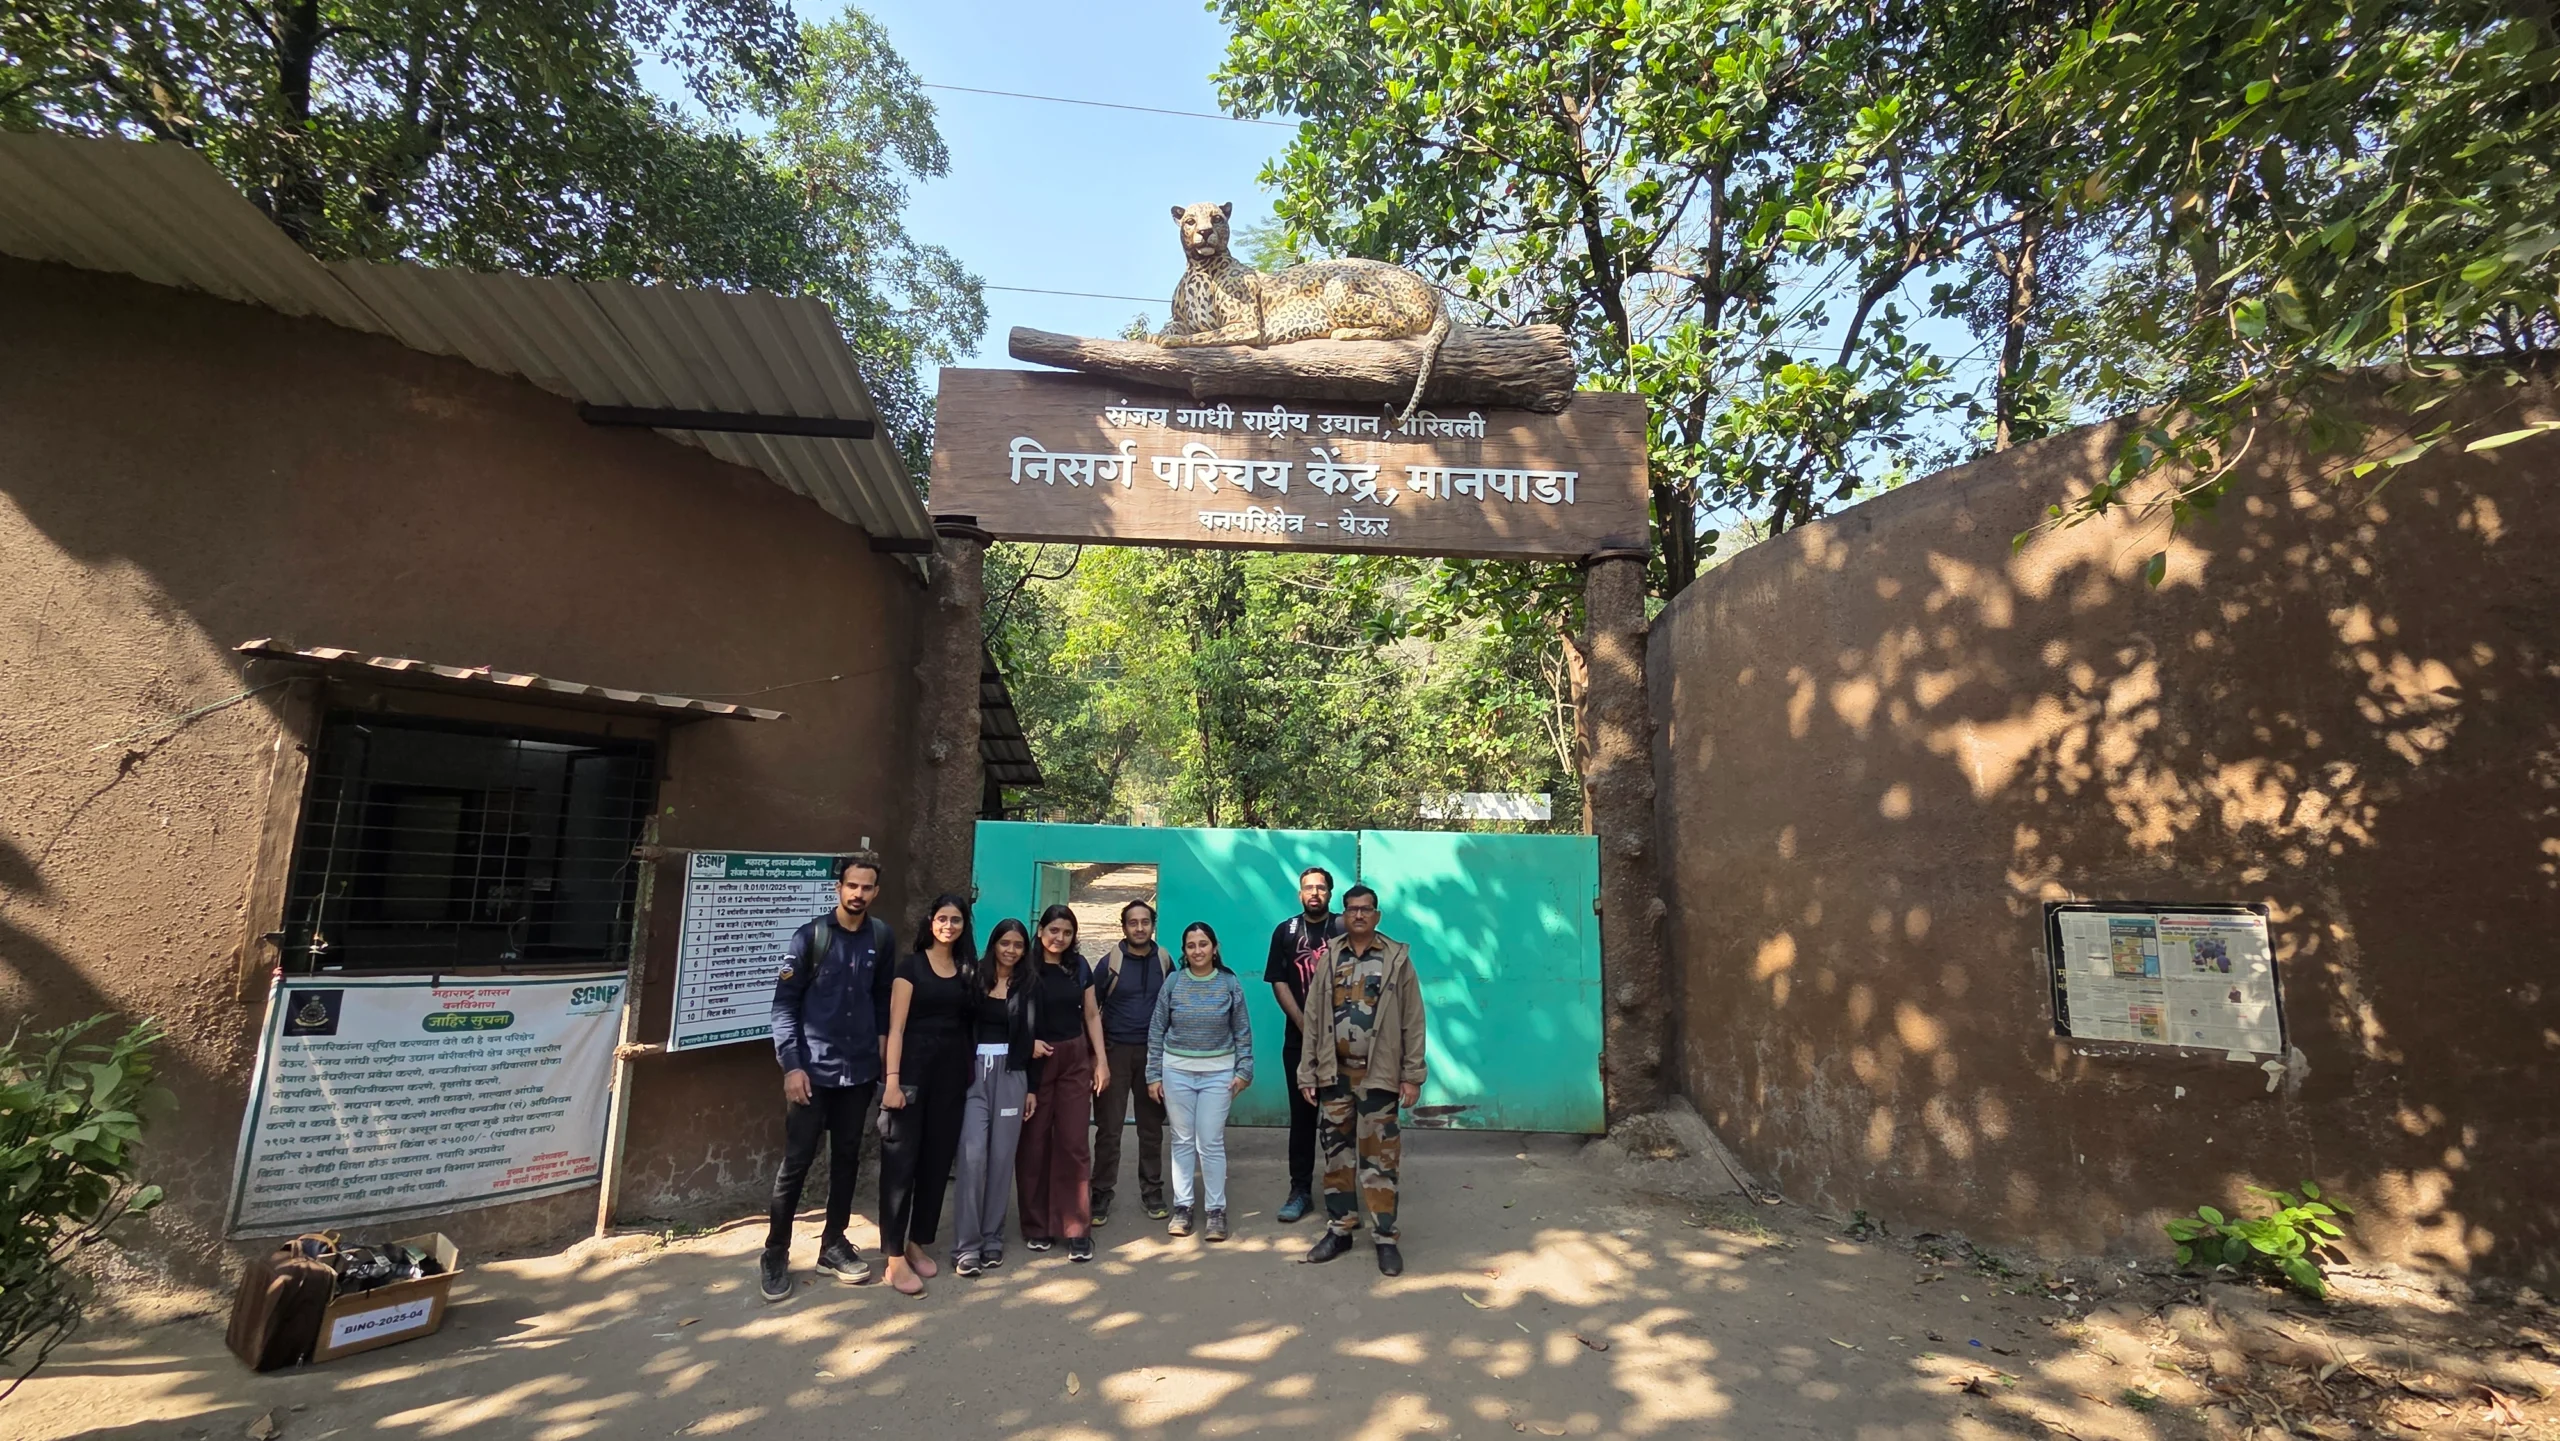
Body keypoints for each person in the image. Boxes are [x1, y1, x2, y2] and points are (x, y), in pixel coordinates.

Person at [761, 851, 897, 1302]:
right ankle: (775, 1252)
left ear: (876, 892)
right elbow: (784, 1007)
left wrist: (882, 1055)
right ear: (838, 888)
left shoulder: (881, 937)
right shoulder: (810, 937)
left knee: (847, 1158)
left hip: (858, 1073)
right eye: (851, 885)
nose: (858, 893)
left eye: (866, 887)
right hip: (811, 1073)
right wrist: (792, 1066)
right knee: (796, 1163)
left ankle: (833, 1244)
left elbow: (882, 1000)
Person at [1297, 883, 1425, 1276]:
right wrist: (1308, 1071)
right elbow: (1313, 1018)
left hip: (1379, 1078)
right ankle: (1340, 1229)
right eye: (1351, 909)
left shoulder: (1396, 960)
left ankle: (1385, 1237)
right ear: (1343, 914)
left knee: (1380, 1161)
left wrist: (1412, 1075)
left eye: (1365, 909)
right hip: (1335, 1075)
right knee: (1337, 1158)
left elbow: (1413, 1020)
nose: (1358, 915)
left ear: (1376, 915)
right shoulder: (1330, 957)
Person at [875, 894, 976, 1296]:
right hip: (911, 1077)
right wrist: (892, 1081)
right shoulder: (911, 967)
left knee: (935, 1163)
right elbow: (896, 1028)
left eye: (956, 920)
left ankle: (918, 1241)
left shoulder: (967, 970)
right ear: (930, 922)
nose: (948, 926)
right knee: (900, 1164)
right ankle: (894, 1256)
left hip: (950, 1079)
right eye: (942, 918)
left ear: (964, 926)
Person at [1015, 903, 1110, 1261]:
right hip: (1036, 1061)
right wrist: (1026, 1045)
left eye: (1067, 932)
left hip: (1074, 1058)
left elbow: (1092, 1014)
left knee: (1073, 1142)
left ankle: (1075, 1227)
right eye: (1054, 930)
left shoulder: (1079, 966)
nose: (1060, 938)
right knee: (1034, 1143)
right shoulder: (1025, 967)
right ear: (1040, 931)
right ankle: (1036, 1225)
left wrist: (1100, 1061)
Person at [1148, 922, 1253, 1242]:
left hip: (1218, 1074)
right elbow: (1157, 1029)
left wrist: (1244, 1071)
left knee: (1209, 1141)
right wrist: (1153, 1074)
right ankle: (1182, 1207)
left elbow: (1242, 1030)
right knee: (1181, 1139)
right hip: (1176, 1071)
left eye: (1203, 944)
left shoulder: (1229, 983)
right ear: (1184, 951)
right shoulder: (1173, 982)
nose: (1197, 951)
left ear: (1214, 947)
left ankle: (1216, 1211)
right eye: (1191, 945)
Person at [950, 918, 1041, 1276]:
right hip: (975, 1074)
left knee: (1002, 1159)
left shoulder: (1029, 985)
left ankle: (992, 1238)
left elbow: (1034, 1037)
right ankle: (966, 1246)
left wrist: (1031, 1088)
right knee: (972, 1156)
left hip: (1012, 1075)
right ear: (994, 945)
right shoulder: (972, 978)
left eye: (1018, 945)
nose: (1011, 950)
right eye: (1005, 943)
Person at [1264, 866, 1344, 1222]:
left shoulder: (1344, 928)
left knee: (1341, 1118)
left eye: (1321, 887)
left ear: (1330, 893)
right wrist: (1305, 1025)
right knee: (1302, 1118)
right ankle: (1300, 1191)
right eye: (1308, 888)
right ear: (1300, 894)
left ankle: (1341, 1194)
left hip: (1342, 1042)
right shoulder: (1286, 931)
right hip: (1298, 1042)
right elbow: (1279, 981)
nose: (1314, 893)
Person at [1089, 898, 1171, 1227]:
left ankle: (1152, 1190)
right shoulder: (1110, 963)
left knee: (1151, 1129)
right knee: (1109, 1129)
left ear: (1153, 925)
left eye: (1145, 922)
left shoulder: (1164, 961)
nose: (1139, 928)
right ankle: (1100, 1192)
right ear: (1123, 927)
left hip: (1153, 1055)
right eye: (1132, 923)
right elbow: (1091, 1010)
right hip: (1115, 1053)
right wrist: (1097, 1059)